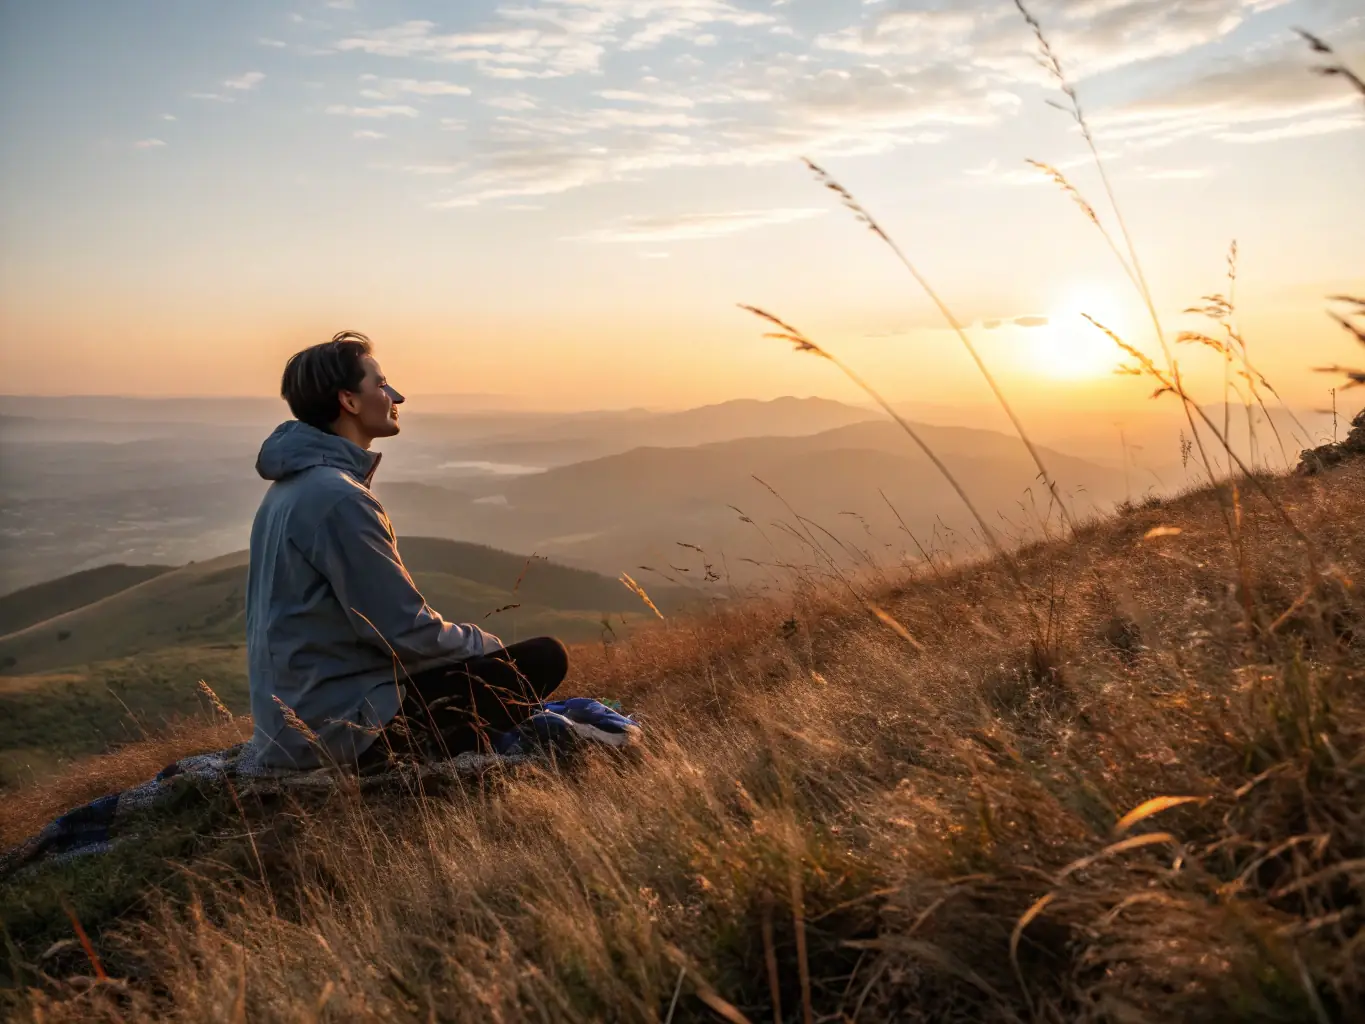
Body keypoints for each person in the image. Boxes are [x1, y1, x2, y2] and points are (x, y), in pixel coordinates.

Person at [245, 330, 569, 770]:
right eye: (380, 384)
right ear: (349, 402)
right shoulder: (338, 498)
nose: (395, 395)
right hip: (343, 733)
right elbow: (404, 632)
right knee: (543, 658)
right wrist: (486, 645)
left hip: (299, 720)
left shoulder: (291, 489)